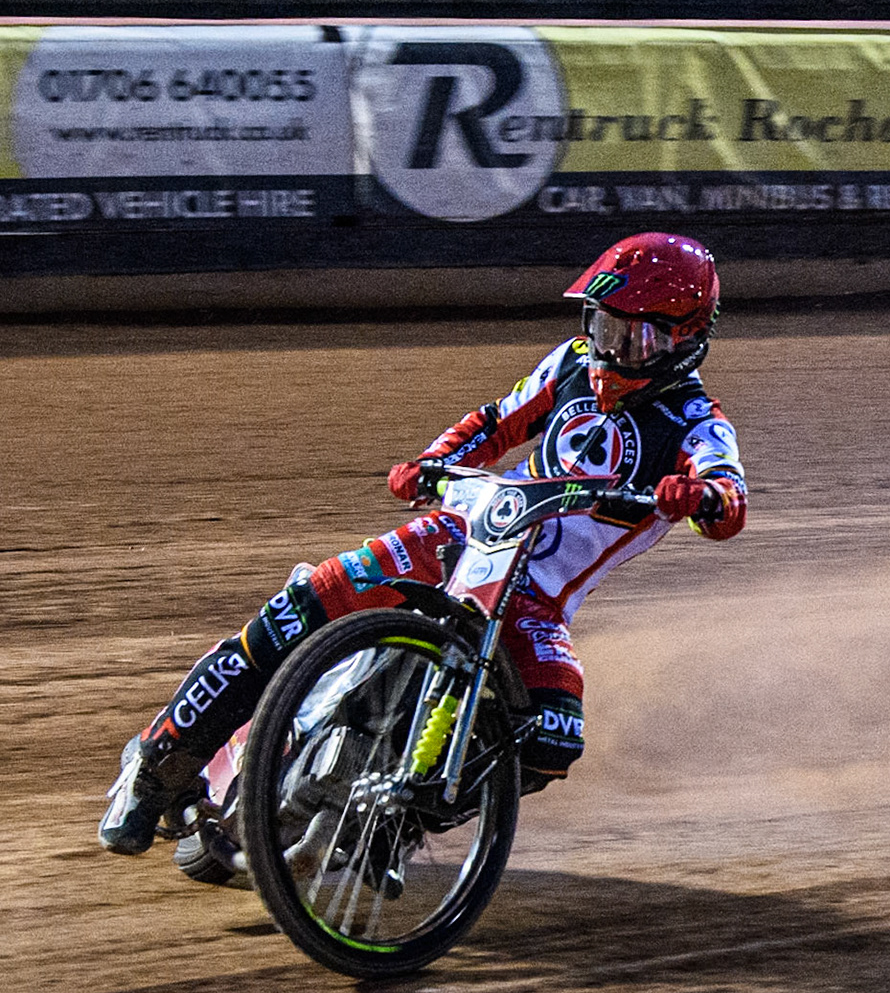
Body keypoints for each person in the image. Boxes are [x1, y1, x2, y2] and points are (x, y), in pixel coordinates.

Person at [100, 232, 748, 856]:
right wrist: (431, 462)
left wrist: (698, 498)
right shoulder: (571, 362)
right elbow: (496, 423)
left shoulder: (698, 421)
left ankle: (392, 824)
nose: (607, 349)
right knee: (303, 607)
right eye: (599, 326)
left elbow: (727, 497)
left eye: (627, 336)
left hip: (535, 599)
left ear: (682, 340)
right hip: (463, 534)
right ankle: (157, 764)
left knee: (553, 734)